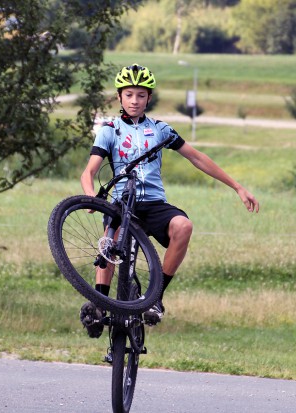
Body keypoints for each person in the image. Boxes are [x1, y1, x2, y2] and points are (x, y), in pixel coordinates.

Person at [79, 63, 259, 338]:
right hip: (122, 201)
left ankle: (155, 298)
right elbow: (89, 171)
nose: (135, 101)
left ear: (149, 98)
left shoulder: (161, 130)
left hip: (153, 202)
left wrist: (237, 187)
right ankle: (100, 303)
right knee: (110, 241)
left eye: (141, 95)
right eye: (129, 95)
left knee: (183, 227)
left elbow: (196, 157)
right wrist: (92, 197)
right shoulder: (110, 130)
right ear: (119, 97)